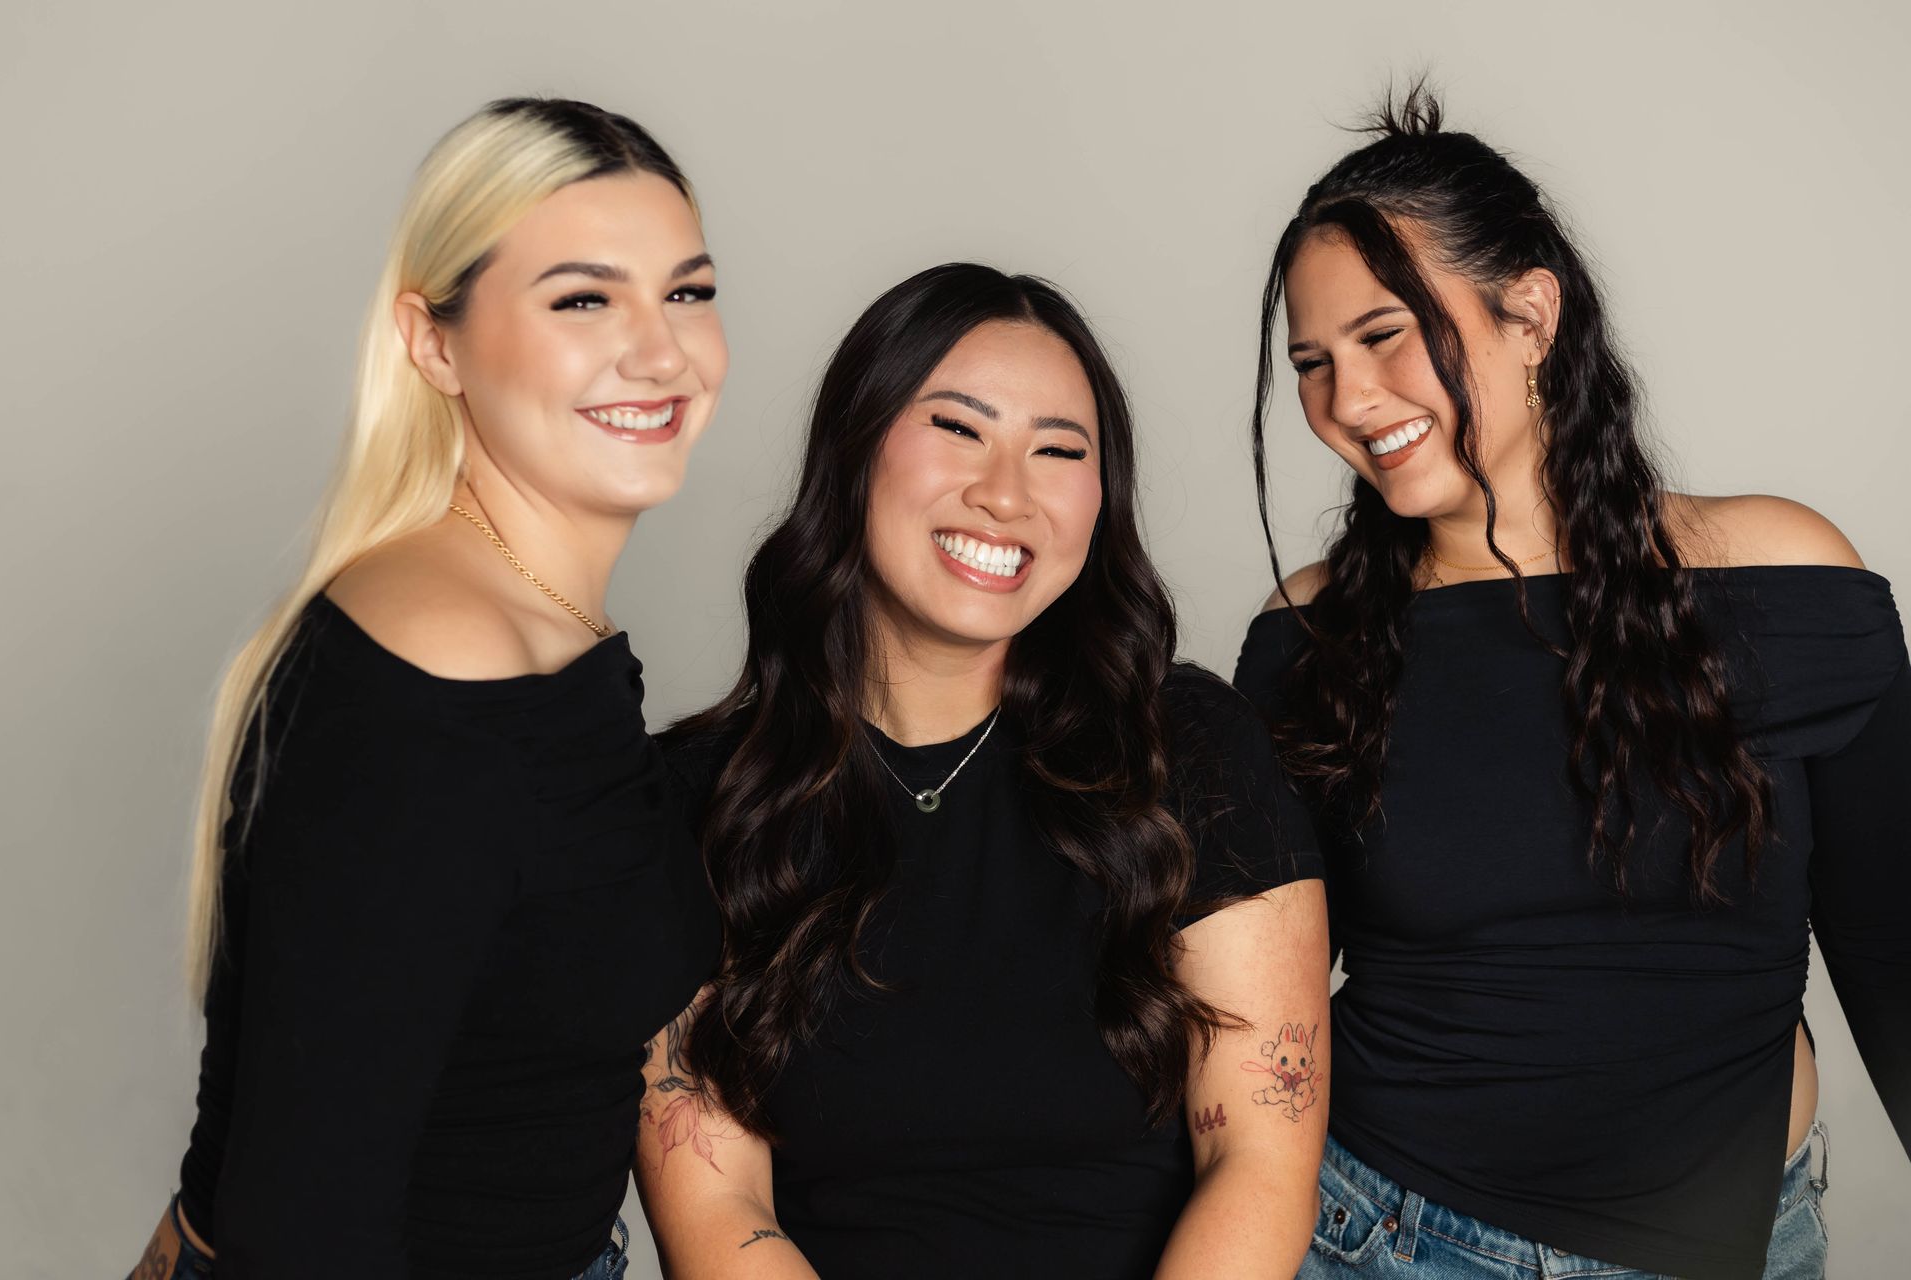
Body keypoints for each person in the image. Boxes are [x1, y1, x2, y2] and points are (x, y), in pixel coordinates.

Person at [1233, 85, 1909, 1279]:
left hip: (1747, 1238)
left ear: (1531, 311)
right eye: (1312, 362)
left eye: (1385, 335)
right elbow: (1246, 1004)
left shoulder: (1786, 581)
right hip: (1392, 1237)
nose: (1347, 400)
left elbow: (1896, 947)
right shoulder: (1309, 634)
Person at [129, 97, 726, 1280]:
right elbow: (307, 1225)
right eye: (583, 298)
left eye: (689, 291)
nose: (661, 351)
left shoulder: (536, 630)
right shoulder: (441, 670)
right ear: (433, 339)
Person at [637, 262, 1331, 1280]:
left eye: (1058, 449)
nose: (1004, 493)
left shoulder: (1190, 747)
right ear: (856, 447)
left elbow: (1261, 1158)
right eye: (958, 428)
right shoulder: (699, 796)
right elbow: (716, 1203)